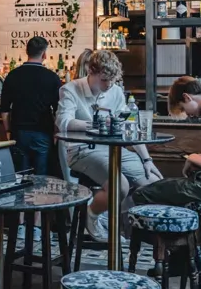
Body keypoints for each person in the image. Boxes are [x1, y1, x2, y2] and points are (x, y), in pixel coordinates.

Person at [59, 49, 162, 241]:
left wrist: (147, 159)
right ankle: (91, 215)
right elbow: (64, 122)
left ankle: (106, 212)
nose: (109, 85)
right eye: (105, 80)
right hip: (81, 150)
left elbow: (129, 126)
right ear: (91, 71)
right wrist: (97, 125)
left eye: (112, 81)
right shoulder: (71, 89)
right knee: (120, 185)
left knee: (153, 184)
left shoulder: (115, 91)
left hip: (114, 149)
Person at [134, 77, 201, 210]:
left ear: (187, 97)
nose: (188, 115)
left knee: (142, 193)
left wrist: (192, 157)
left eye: (183, 109)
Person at [0, 36, 62, 177]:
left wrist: (8, 130)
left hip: (19, 132)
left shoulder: (13, 75)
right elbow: (59, 110)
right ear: (44, 54)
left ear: (26, 52)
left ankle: (20, 199)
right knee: (42, 178)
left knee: (20, 177)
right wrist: (56, 133)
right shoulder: (52, 77)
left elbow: (4, 109)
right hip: (43, 132)